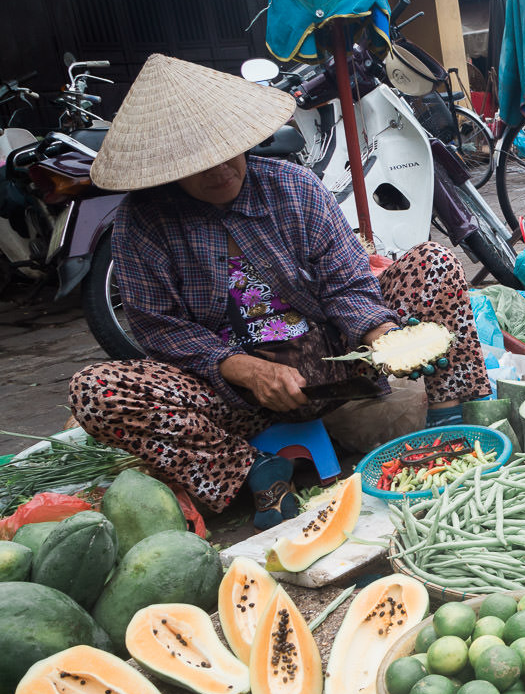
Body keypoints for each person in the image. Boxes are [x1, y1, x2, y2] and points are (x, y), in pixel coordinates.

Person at [68, 55, 490, 528]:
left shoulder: (293, 186)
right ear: (168, 169)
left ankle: (450, 420)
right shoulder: (140, 222)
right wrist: (242, 369)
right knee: (95, 390)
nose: (222, 168)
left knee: (432, 263)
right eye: (199, 163)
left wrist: (383, 336)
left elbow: (346, 283)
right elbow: (159, 329)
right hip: (233, 398)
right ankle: (251, 469)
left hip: (335, 361)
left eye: (229, 148)